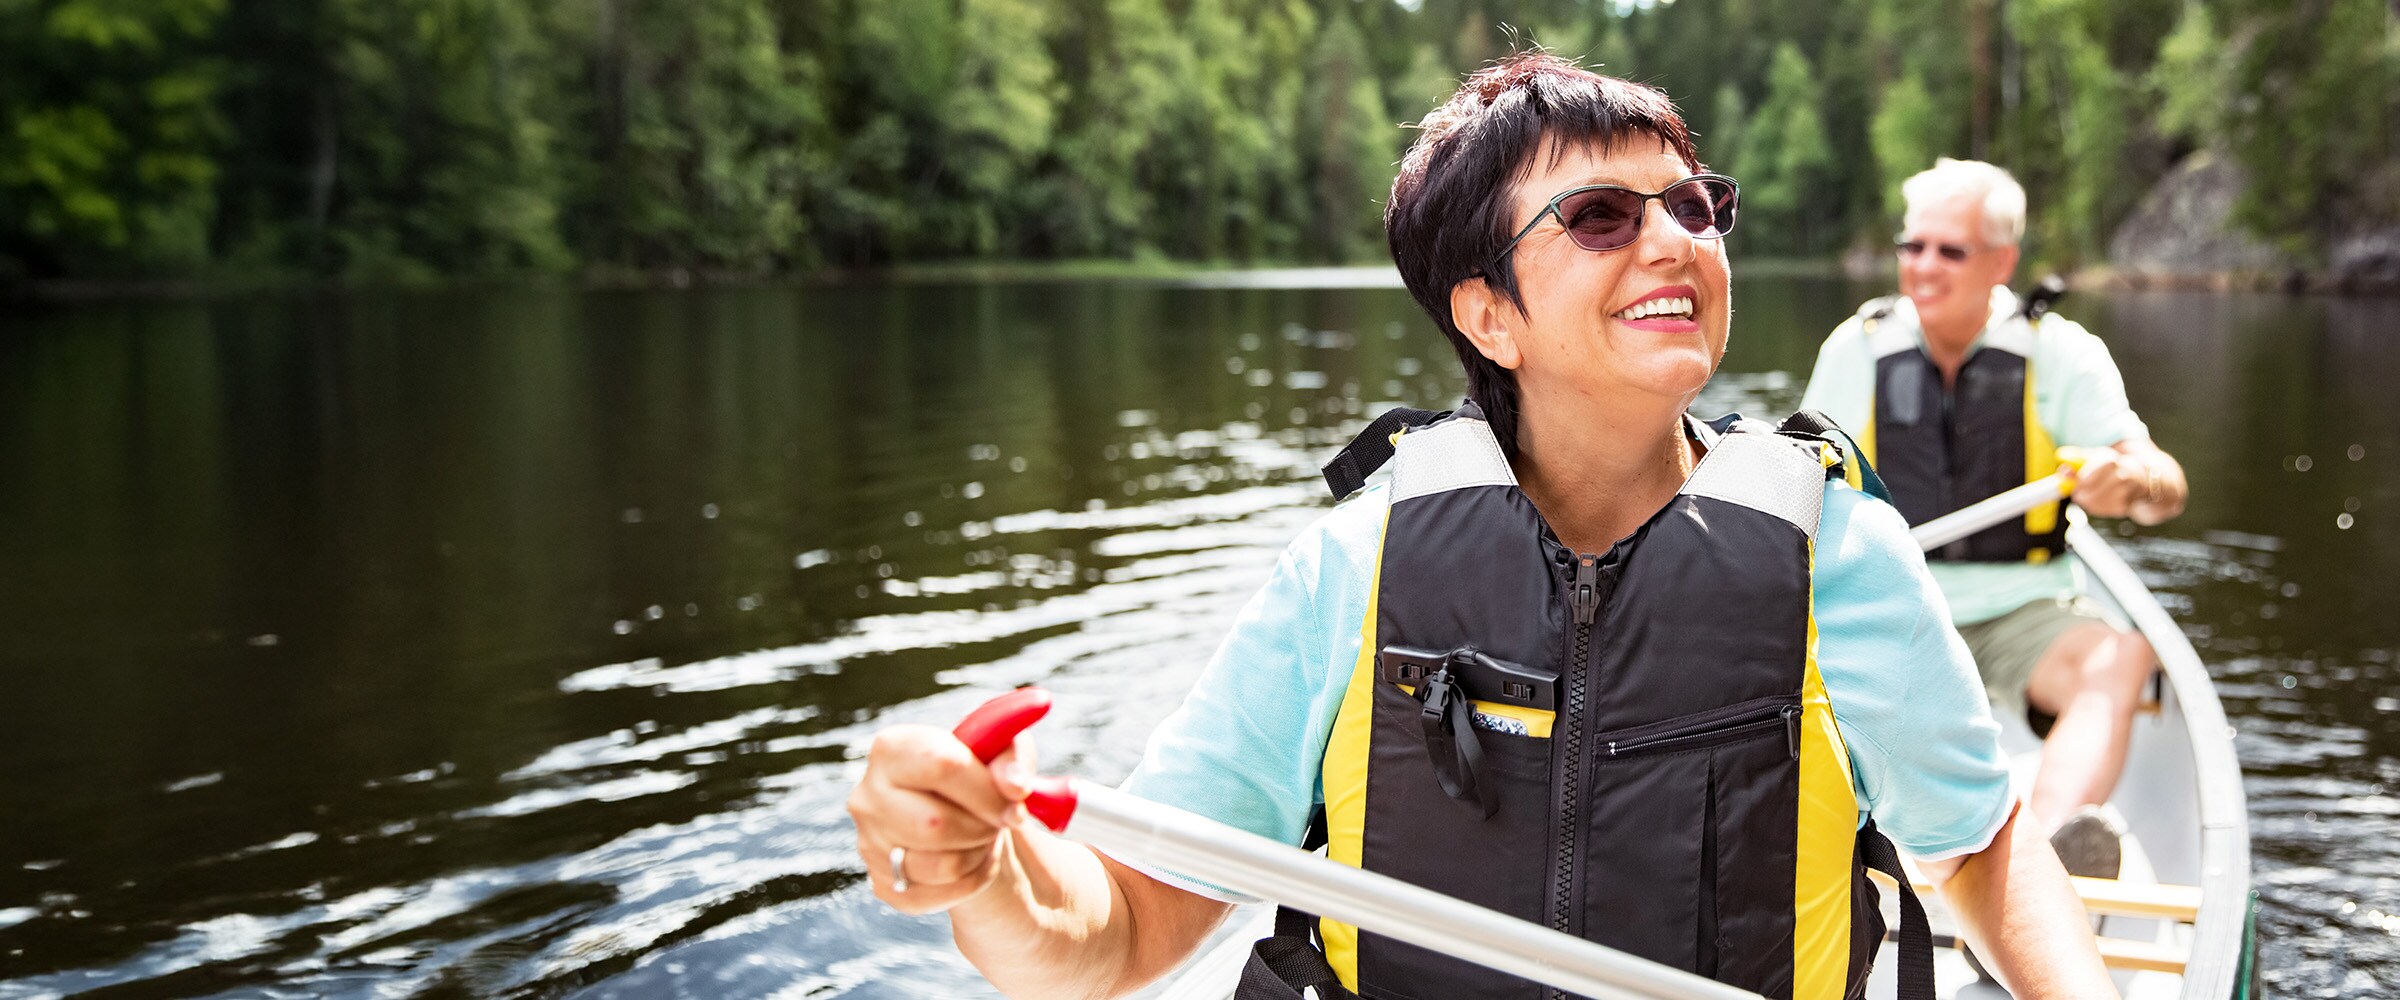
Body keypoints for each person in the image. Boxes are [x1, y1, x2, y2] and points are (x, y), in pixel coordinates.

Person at [849, 58, 2114, 999]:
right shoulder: (1352, 571)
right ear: (1488, 317)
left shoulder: (1833, 554)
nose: (1675, 240)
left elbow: (1983, 851)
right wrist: (985, 876)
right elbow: (1114, 935)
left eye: (1692, 205)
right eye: (1602, 218)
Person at [1799, 158, 2190, 876]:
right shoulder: (1855, 350)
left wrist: (2128, 479)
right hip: (1892, 605)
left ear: (2002, 260)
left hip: (2021, 614)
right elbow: (1801, 491)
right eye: (1912, 246)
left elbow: (2166, 484)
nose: (1923, 267)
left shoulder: (2062, 353)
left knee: (2123, 657)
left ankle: (2040, 863)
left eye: (1950, 250)